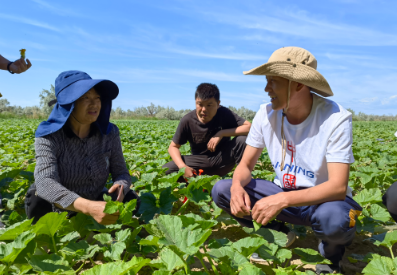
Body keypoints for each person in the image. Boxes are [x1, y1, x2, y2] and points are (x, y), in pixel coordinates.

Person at [211, 47, 362, 274]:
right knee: (221, 189)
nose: (266, 89)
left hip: (322, 201)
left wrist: (282, 200)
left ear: (298, 84)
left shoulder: (335, 118)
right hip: (283, 193)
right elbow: (245, 165)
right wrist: (235, 187)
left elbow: (338, 187)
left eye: (273, 81)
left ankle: (331, 255)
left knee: (333, 220)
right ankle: (279, 234)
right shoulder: (265, 114)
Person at [24, 70, 140, 224]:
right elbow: (45, 182)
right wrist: (88, 207)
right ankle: (47, 242)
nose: (94, 104)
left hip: (95, 198)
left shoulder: (109, 133)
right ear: (68, 104)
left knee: (132, 199)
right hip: (58, 206)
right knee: (37, 199)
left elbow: (122, 172)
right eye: (85, 97)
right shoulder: (49, 135)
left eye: (97, 98)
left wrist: (121, 185)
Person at [162, 83, 251, 180]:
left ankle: (243, 178)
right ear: (195, 102)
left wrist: (221, 133)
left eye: (209, 105)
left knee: (243, 140)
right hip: (200, 162)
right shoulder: (187, 120)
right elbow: (173, 147)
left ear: (218, 104)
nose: (204, 109)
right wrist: (182, 167)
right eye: (200, 104)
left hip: (222, 159)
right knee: (166, 169)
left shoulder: (224, 113)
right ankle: (192, 183)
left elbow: (249, 127)